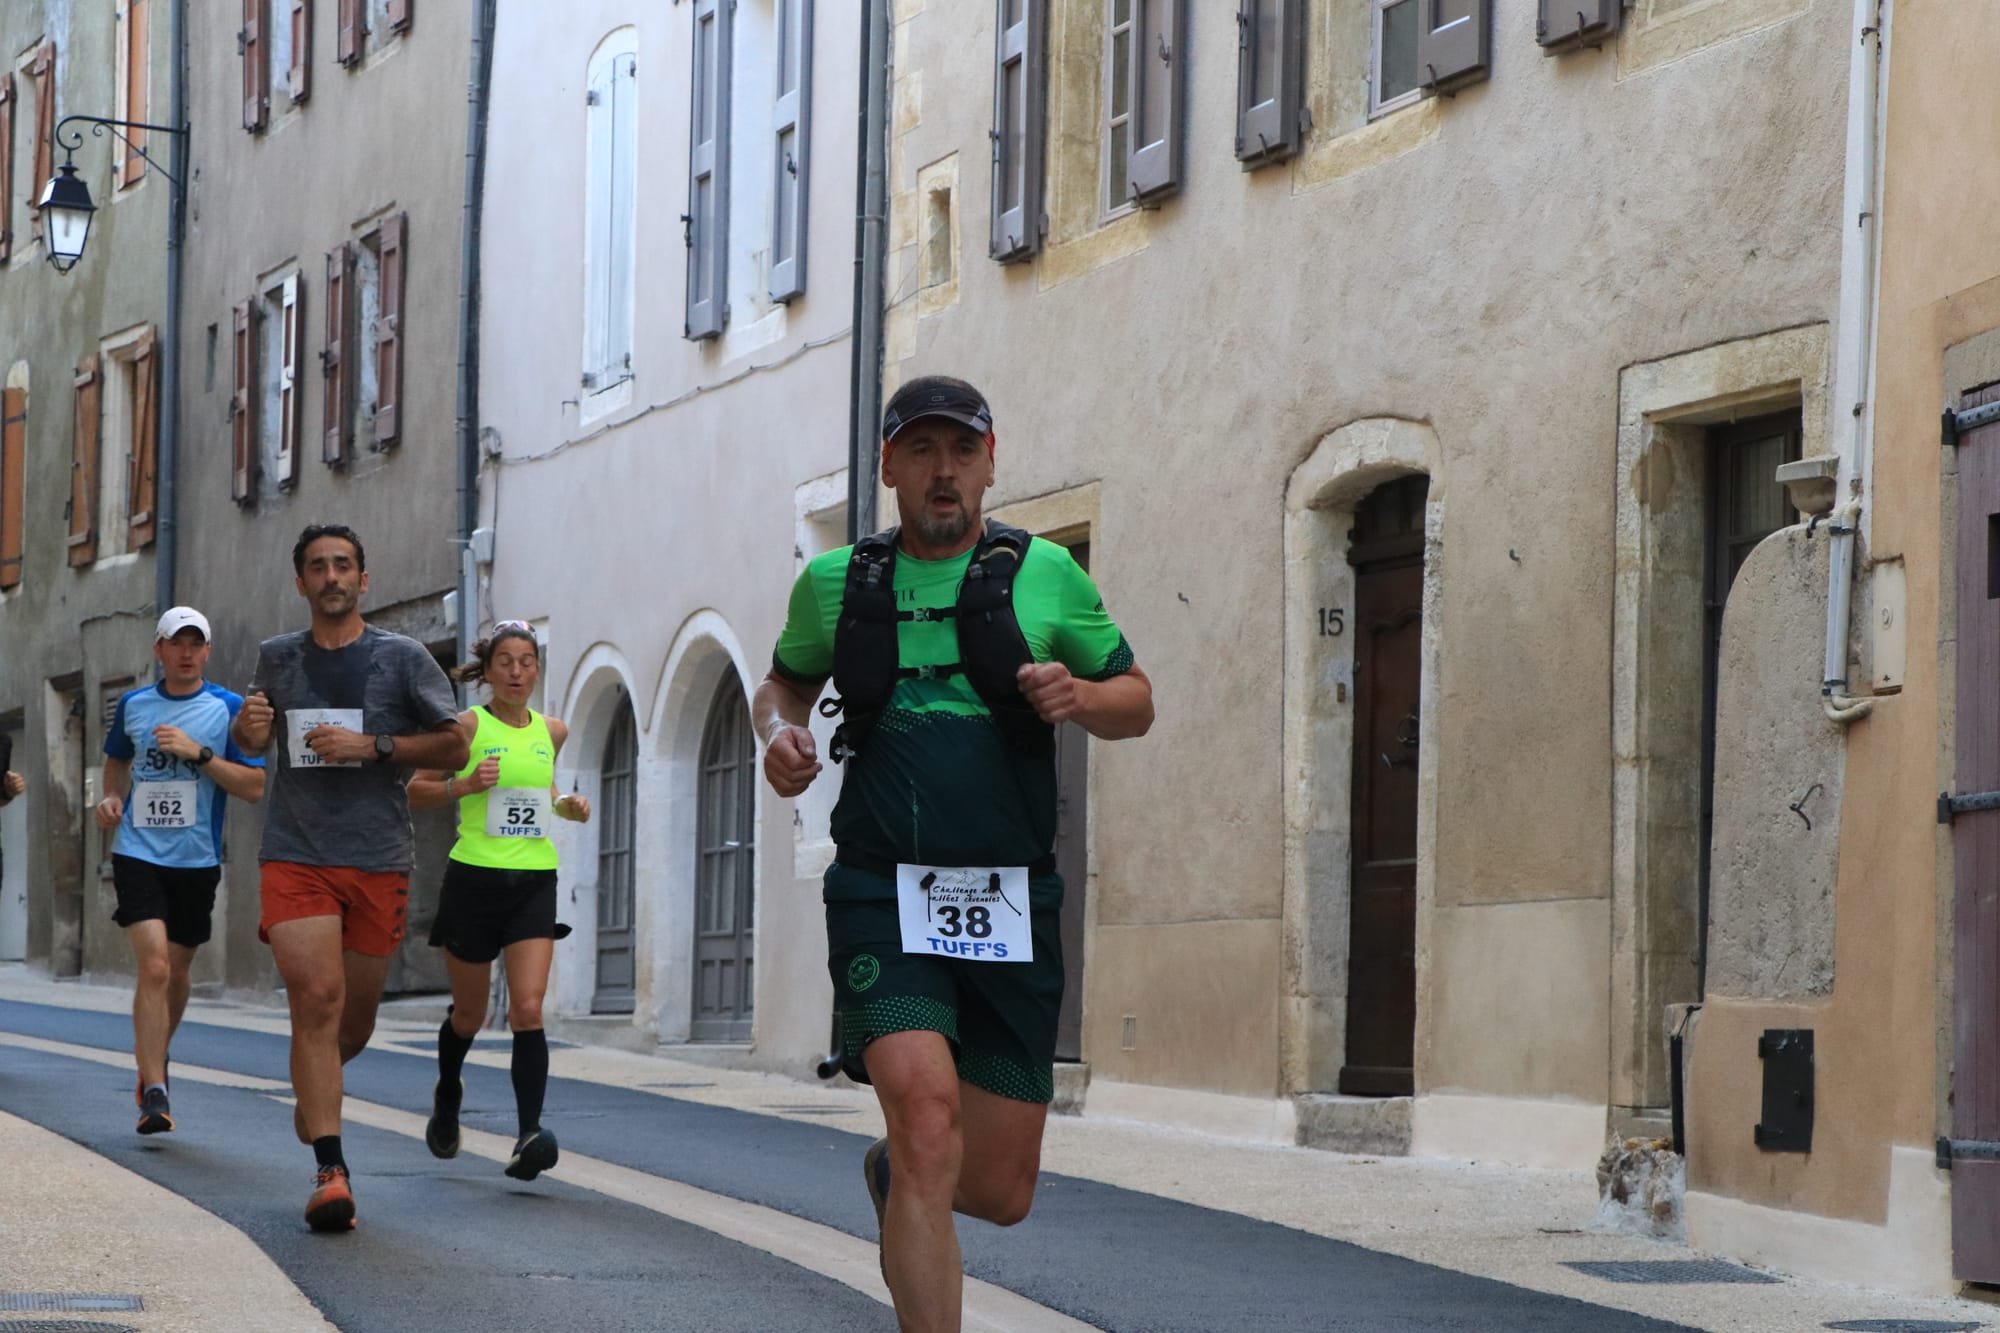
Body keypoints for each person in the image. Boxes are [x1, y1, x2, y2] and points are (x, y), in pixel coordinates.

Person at [753, 376, 1154, 1331]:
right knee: (928, 1117)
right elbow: (781, 684)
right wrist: (779, 734)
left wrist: (1079, 698)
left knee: (999, 1187)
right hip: (882, 892)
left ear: (989, 460)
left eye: (961, 451)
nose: (944, 472)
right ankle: (915, 1174)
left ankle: (899, 1178)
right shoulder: (835, 582)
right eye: (922, 450)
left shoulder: (1046, 573)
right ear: (888, 464)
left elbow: (1136, 698)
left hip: (1010, 896)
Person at [231, 524, 468, 1233]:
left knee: (352, 1020)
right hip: (295, 853)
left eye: (342, 565)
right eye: (316, 566)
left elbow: (457, 743)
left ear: (364, 579)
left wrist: (376, 746)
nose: (330, 576)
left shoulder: (402, 658)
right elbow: (252, 740)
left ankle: (316, 1083)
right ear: (300, 582)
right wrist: (249, 725)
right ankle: (331, 1169)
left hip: (376, 856)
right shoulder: (277, 658)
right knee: (319, 995)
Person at [407, 621, 589, 1182]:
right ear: (487, 671)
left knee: (528, 1009)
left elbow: (542, 792)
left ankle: (529, 1131)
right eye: (505, 661)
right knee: (469, 1014)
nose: (516, 672)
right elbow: (414, 790)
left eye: (526, 661)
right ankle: (448, 1091)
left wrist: (568, 806)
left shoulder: (551, 730)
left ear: (537, 669)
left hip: (534, 880)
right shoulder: (465, 727)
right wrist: (463, 786)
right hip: (474, 880)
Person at [94, 608, 265, 1135]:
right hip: (138, 852)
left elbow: (253, 786)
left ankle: (155, 1059)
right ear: (159, 650)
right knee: (156, 967)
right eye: (177, 642)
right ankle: (155, 1089)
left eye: (196, 643)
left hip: (197, 859)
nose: (187, 652)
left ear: (207, 652)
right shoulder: (134, 705)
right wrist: (109, 798)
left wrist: (200, 753)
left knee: (180, 968)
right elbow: (117, 761)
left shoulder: (228, 709)